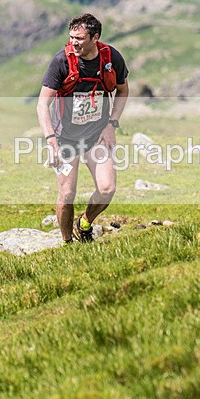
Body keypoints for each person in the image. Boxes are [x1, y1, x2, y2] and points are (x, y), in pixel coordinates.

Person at [36, 13, 129, 243]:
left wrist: (112, 124)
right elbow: (42, 104)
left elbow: (123, 90)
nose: (73, 42)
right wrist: (51, 140)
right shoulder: (62, 61)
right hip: (65, 139)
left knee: (107, 189)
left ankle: (85, 223)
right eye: (71, 37)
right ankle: (68, 243)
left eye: (79, 38)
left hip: (96, 135)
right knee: (67, 194)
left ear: (95, 38)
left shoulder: (111, 58)